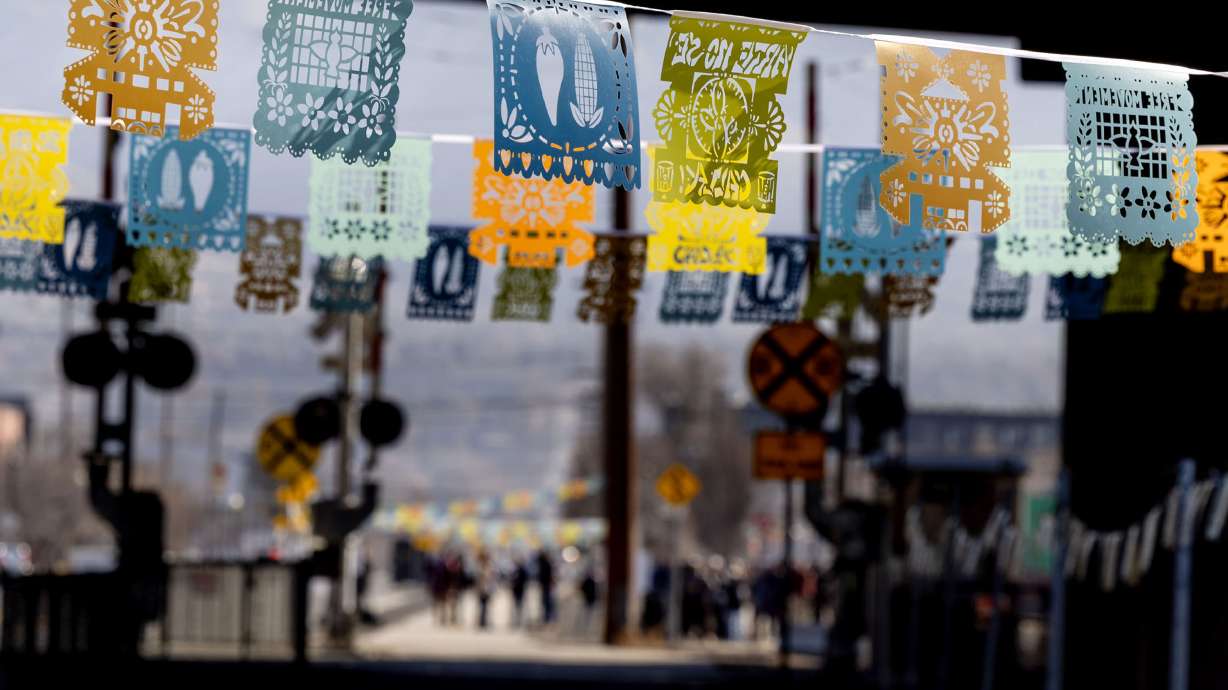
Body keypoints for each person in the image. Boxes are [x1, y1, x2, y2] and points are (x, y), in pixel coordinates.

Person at [476, 550, 495, 630]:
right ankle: (482, 622)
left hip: (485, 589)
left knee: (484, 607)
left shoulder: (486, 567)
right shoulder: (483, 567)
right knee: (483, 606)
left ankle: (483, 622)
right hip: (484, 589)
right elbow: (482, 579)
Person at [535, 549, 555, 625]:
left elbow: (547, 577)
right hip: (545, 587)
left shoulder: (545, 565)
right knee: (546, 603)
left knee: (547, 603)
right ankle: (546, 618)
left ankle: (547, 618)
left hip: (546, 587)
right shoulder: (545, 564)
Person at [580, 565, 600, 633]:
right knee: (588, 613)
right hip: (589, 598)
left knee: (588, 613)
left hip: (589, 598)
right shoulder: (591, 581)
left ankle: (587, 625)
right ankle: (586, 625)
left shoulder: (591, 581)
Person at [510, 559, 529, 627]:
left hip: (520, 590)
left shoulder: (522, 570)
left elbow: (525, 580)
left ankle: (520, 620)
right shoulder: (514, 570)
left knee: (520, 606)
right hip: (516, 590)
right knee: (516, 606)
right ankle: (516, 620)